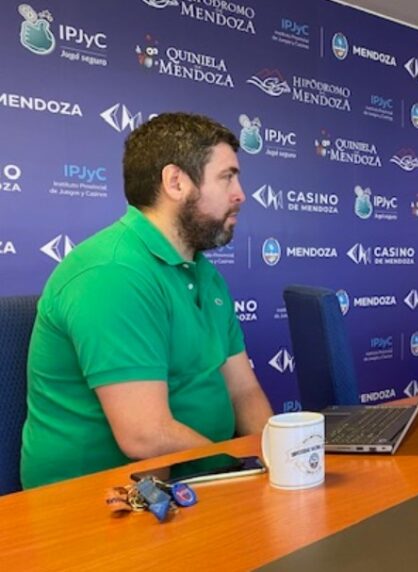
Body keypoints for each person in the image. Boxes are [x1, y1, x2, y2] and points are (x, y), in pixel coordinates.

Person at [21, 112, 273, 488]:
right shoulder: (113, 273)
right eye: (227, 177)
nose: (240, 194)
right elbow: (145, 435)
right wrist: (240, 469)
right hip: (97, 506)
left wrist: (275, 457)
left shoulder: (203, 272)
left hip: (197, 481)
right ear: (176, 182)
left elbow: (244, 390)